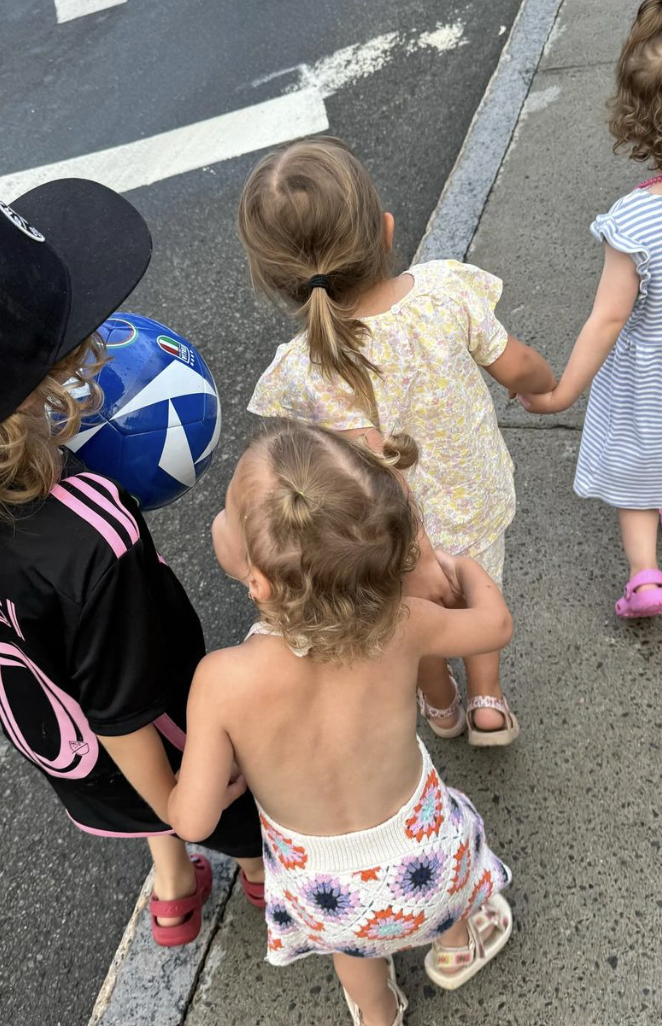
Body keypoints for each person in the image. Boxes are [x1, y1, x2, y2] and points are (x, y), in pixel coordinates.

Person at [0, 181, 263, 947]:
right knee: (225, 810)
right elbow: (128, 710)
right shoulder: (94, 531)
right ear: (16, 402)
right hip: (157, 736)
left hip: (59, 736)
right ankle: (261, 874)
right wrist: (185, 802)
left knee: (143, 785)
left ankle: (172, 887)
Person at [169, 421, 514, 1026]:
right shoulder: (406, 623)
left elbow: (194, 819)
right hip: (428, 862)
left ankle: (377, 1013)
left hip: (326, 896)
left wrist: (214, 785)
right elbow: (494, 627)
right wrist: (457, 562)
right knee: (449, 882)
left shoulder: (221, 680)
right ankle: (457, 943)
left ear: (258, 581)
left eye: (226, 515)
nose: (219, 522)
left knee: (354, 951)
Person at [237, 137, 555, 746]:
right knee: (478, 597)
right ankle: (488, 700)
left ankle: (440, 707)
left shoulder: (302, 369)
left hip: (389, 544)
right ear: (385, 231)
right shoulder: (444, 292)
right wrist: (543, 390)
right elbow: (519, 367)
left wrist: (419, 551)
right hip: (474, 501)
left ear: (277, 281)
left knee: (415, 623)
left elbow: (322, 461)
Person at [519, 0, 662, 617]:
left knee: (639, 465)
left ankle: (646, 576)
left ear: (638, 117)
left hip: (654, 377)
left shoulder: (635, 221)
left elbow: (609, 318)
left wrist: (562, 391)